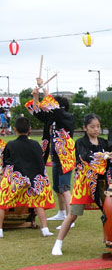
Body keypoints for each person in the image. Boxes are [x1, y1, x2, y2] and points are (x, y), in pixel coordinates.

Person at [52, 114, 112, 255]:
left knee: (108, 213)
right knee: (73, 214)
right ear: (85, 128)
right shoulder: (80, 142)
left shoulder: (104, 142)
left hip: (101, 183)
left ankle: (110, 241)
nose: (96, 129)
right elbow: (85, 156)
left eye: (98, 126)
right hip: (84, 184)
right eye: (92, 127)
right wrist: (99, 155)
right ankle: (58, 243)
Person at [26, 80, 76, 226]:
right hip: (55, 156)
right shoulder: (52, 119)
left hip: (65, 157)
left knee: (65, 188)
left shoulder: (67, 118)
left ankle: (70, 218)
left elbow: (53, 107)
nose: (49, 108)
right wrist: (36, 96)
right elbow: (37, 112)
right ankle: (61, 213)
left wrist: (43, 89)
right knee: (57, 188)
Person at [0, 117, 55, 238]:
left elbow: (6, 164)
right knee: (38, 203)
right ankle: (45, 229)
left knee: (3, 203)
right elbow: (40, 163)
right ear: (29, 129)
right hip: (32, 179)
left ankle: (0, 230)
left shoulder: (10, 145)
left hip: (16, 179)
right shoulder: (35, 144)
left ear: (15, 129)